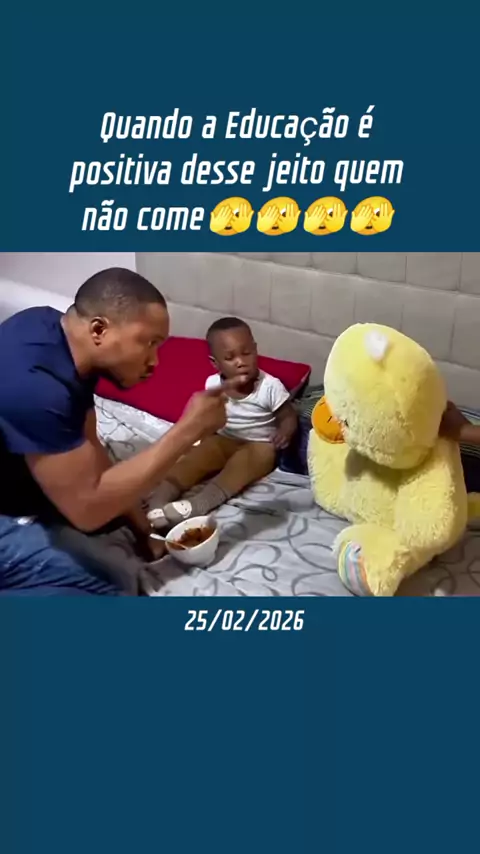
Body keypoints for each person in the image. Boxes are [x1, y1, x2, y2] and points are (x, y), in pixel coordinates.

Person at [0, 268, 239, 597]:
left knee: (110, 540)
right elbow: (87, 512)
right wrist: (187, 430)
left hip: (20, 476)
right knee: (110, 584)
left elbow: (91, 449)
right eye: (149, 343)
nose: (155, 361)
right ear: (99, 329)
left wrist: (144, 532)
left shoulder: (58, 336)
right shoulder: (37, 386)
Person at [148, 317, 298, 528]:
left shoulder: (270, 387)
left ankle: (198, 504)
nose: (240, 362)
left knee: (247, 462)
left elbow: (288, 415)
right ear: (215, 363)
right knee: (195, 458)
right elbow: (207, 416)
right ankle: (159, 500)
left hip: (258, 445)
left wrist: (285, 431)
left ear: (256, 350)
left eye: (246, 353)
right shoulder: (213, 385)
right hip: (224, 439)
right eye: (230, 358)